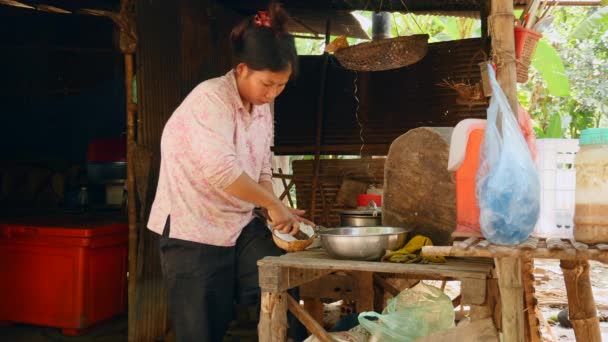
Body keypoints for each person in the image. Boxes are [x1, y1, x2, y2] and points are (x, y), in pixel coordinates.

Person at [147, 4, 309, 341]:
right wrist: (272, 204)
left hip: (239, 225)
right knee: (201, 332)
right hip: (193, 230)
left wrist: (271, 205)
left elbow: (262, 165)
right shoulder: (209, 100)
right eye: (267, 84)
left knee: (282, 283)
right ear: (242, 69)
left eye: (281, 86)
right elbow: (223, 173)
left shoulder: (264, 106)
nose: (273, 94)